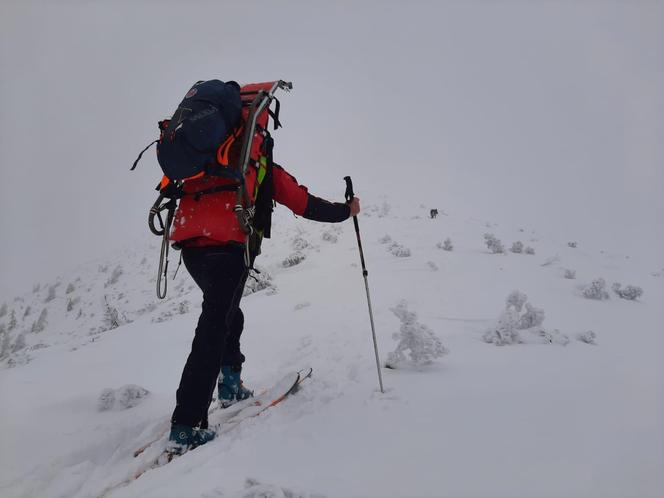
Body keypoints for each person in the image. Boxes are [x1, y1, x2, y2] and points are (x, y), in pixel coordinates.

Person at [166, 158, 360, 451]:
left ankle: (230, 386)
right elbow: (303, 203)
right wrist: (346, 211)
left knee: (229, 316)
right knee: (214, 327)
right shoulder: (255, 163)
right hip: (227, 247)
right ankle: (187, 425)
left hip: (192, 248)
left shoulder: (204, 158)